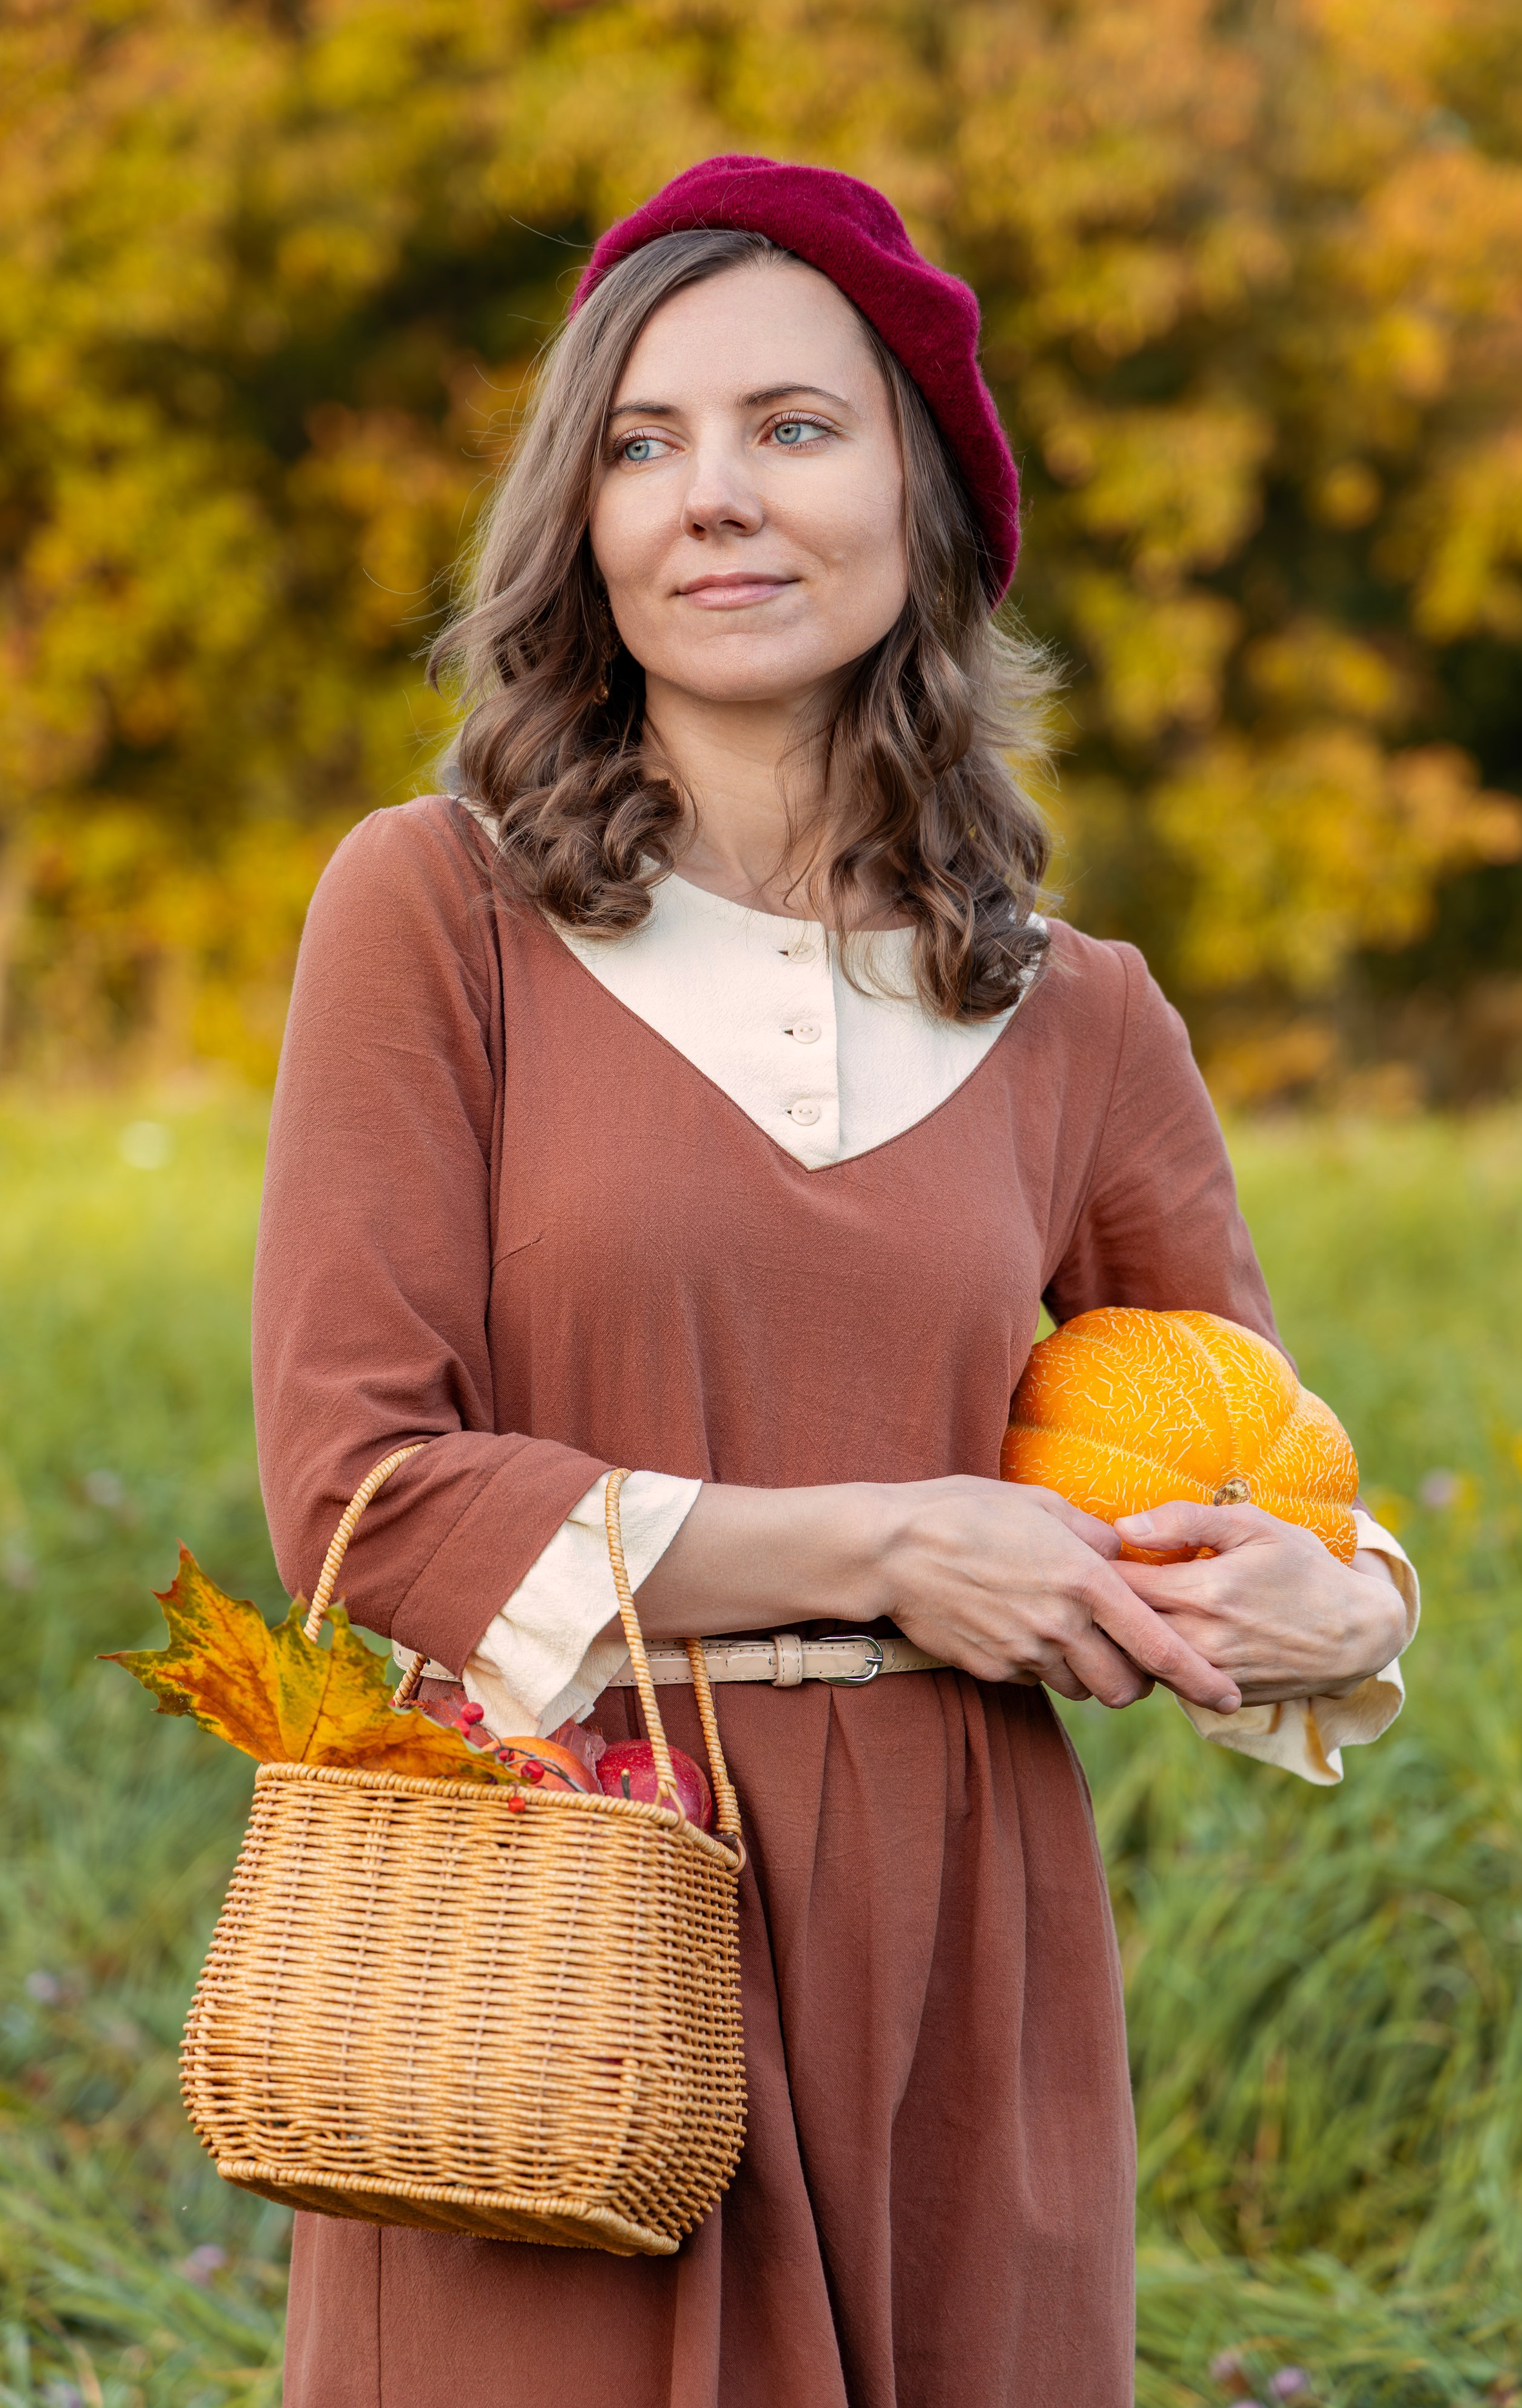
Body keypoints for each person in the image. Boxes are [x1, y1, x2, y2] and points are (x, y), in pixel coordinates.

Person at [254, 155, 1418, 2408]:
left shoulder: (1080, 1016)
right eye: (642, 442)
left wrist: (1347, 1603)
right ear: (578, 527)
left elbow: (1253, 1456)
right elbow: (362, 1499)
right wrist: (897, 1543)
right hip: (553, 1914)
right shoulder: (438, 917)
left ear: (930, 503)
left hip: (964, 1950)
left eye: (796, 427)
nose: (717, 499)